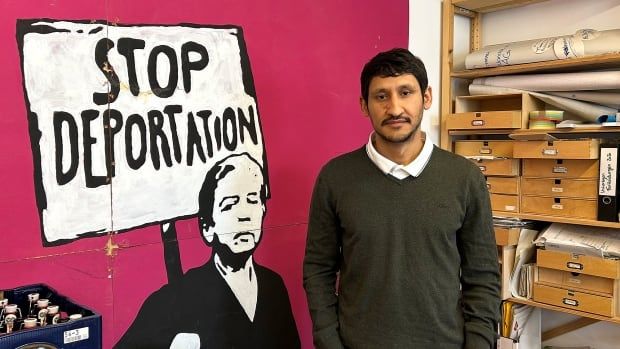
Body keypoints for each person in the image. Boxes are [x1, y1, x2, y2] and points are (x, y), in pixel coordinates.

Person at [303, 48, 500, 349]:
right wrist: (328, 341)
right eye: (381, 96)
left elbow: (483, 277)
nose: (395, 108)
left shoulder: (465, 178)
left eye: (405, 92)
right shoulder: (335, 177)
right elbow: (318, 270)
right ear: (364, 106)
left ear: (427, 97)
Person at [116, 153, 300, 349]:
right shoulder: (173, 298)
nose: (244, 215)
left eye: (252, 200)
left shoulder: (273, 286)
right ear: (207, 227)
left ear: (263, 209)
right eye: (230, 204)